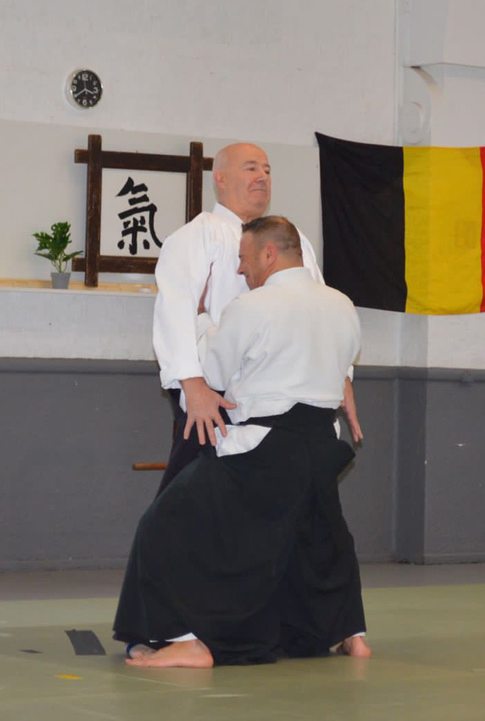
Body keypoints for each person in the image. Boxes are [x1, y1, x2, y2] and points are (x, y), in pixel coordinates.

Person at [115, 216, 370, 668]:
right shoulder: (343, 305)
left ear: (269, 254)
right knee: (321, 538)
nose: (239, 269)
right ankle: (350, 634)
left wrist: (199, 320)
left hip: (263, 449)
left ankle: (187, 639)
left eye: (244, 258)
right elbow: (339, 368)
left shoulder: (253, 306)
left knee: (165, 524)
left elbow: (212, 371)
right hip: (321, 447)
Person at [152, 142, 360, 492]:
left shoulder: (291, 239)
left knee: (282, 499)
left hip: (284, 395)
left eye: (267, 170)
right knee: (193, 496)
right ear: (220, 178)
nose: (262, 176)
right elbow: (174, 309)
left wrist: (342, 377)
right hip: (213, 392)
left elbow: (321, 310)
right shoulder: (197, 235)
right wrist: (192, 384)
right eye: (251, 168)